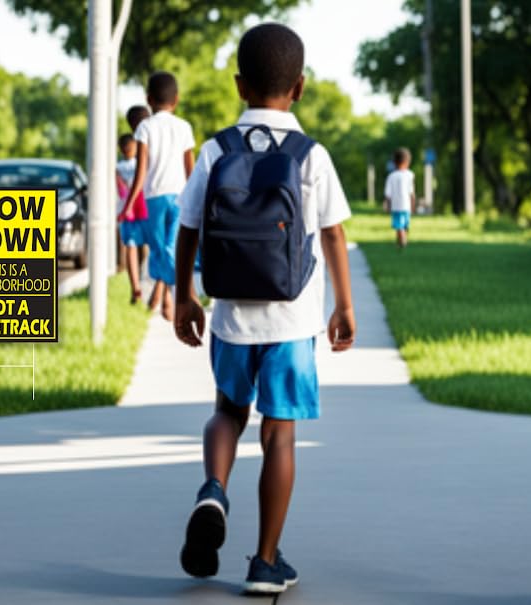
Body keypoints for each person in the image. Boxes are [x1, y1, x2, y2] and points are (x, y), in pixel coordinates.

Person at [173, 23, 356, 595]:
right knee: (279, 434)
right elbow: (333, 236)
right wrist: (344, 306)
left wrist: (184, 295)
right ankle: (265, 561)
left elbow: (188, 229)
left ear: (238, 85)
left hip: (231, 316)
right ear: (299, 88)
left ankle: (213, 490)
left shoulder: (214, 149)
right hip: (293, 321)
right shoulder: (311, 155)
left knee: (228, 412)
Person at [120, 72, 195, 321]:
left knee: (160, 251)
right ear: (177, 100)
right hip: (181, 198)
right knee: (170, 249)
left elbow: (141, 171)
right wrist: (197, 199)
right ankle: (170, 297)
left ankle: (178, 296)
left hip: (153, 199)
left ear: (149, 99)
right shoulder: (184, 127)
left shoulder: (144, 127)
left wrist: (128, 205)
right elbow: (190, 171)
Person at [116, 133, 148, 304]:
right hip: (127, 211)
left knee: (144, 248)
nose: (127, 150)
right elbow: (119, 189)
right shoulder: (117, 167)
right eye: (124, 147)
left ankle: (140, 280)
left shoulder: (141, 163)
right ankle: (135, 286)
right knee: (130, 246)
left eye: (130, 146)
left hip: (142, 208)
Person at [384, 147, 416, 248]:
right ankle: (403, 240)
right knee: (405, 225)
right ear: (408, 162)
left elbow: (388, 194)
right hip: (406, 205)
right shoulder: (410, 175)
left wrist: (388, 206)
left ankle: (401, 242)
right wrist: (413, 205)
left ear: (394, 162)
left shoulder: (391, 176)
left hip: (396, 206)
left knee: (398, 226)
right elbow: (411, 192)